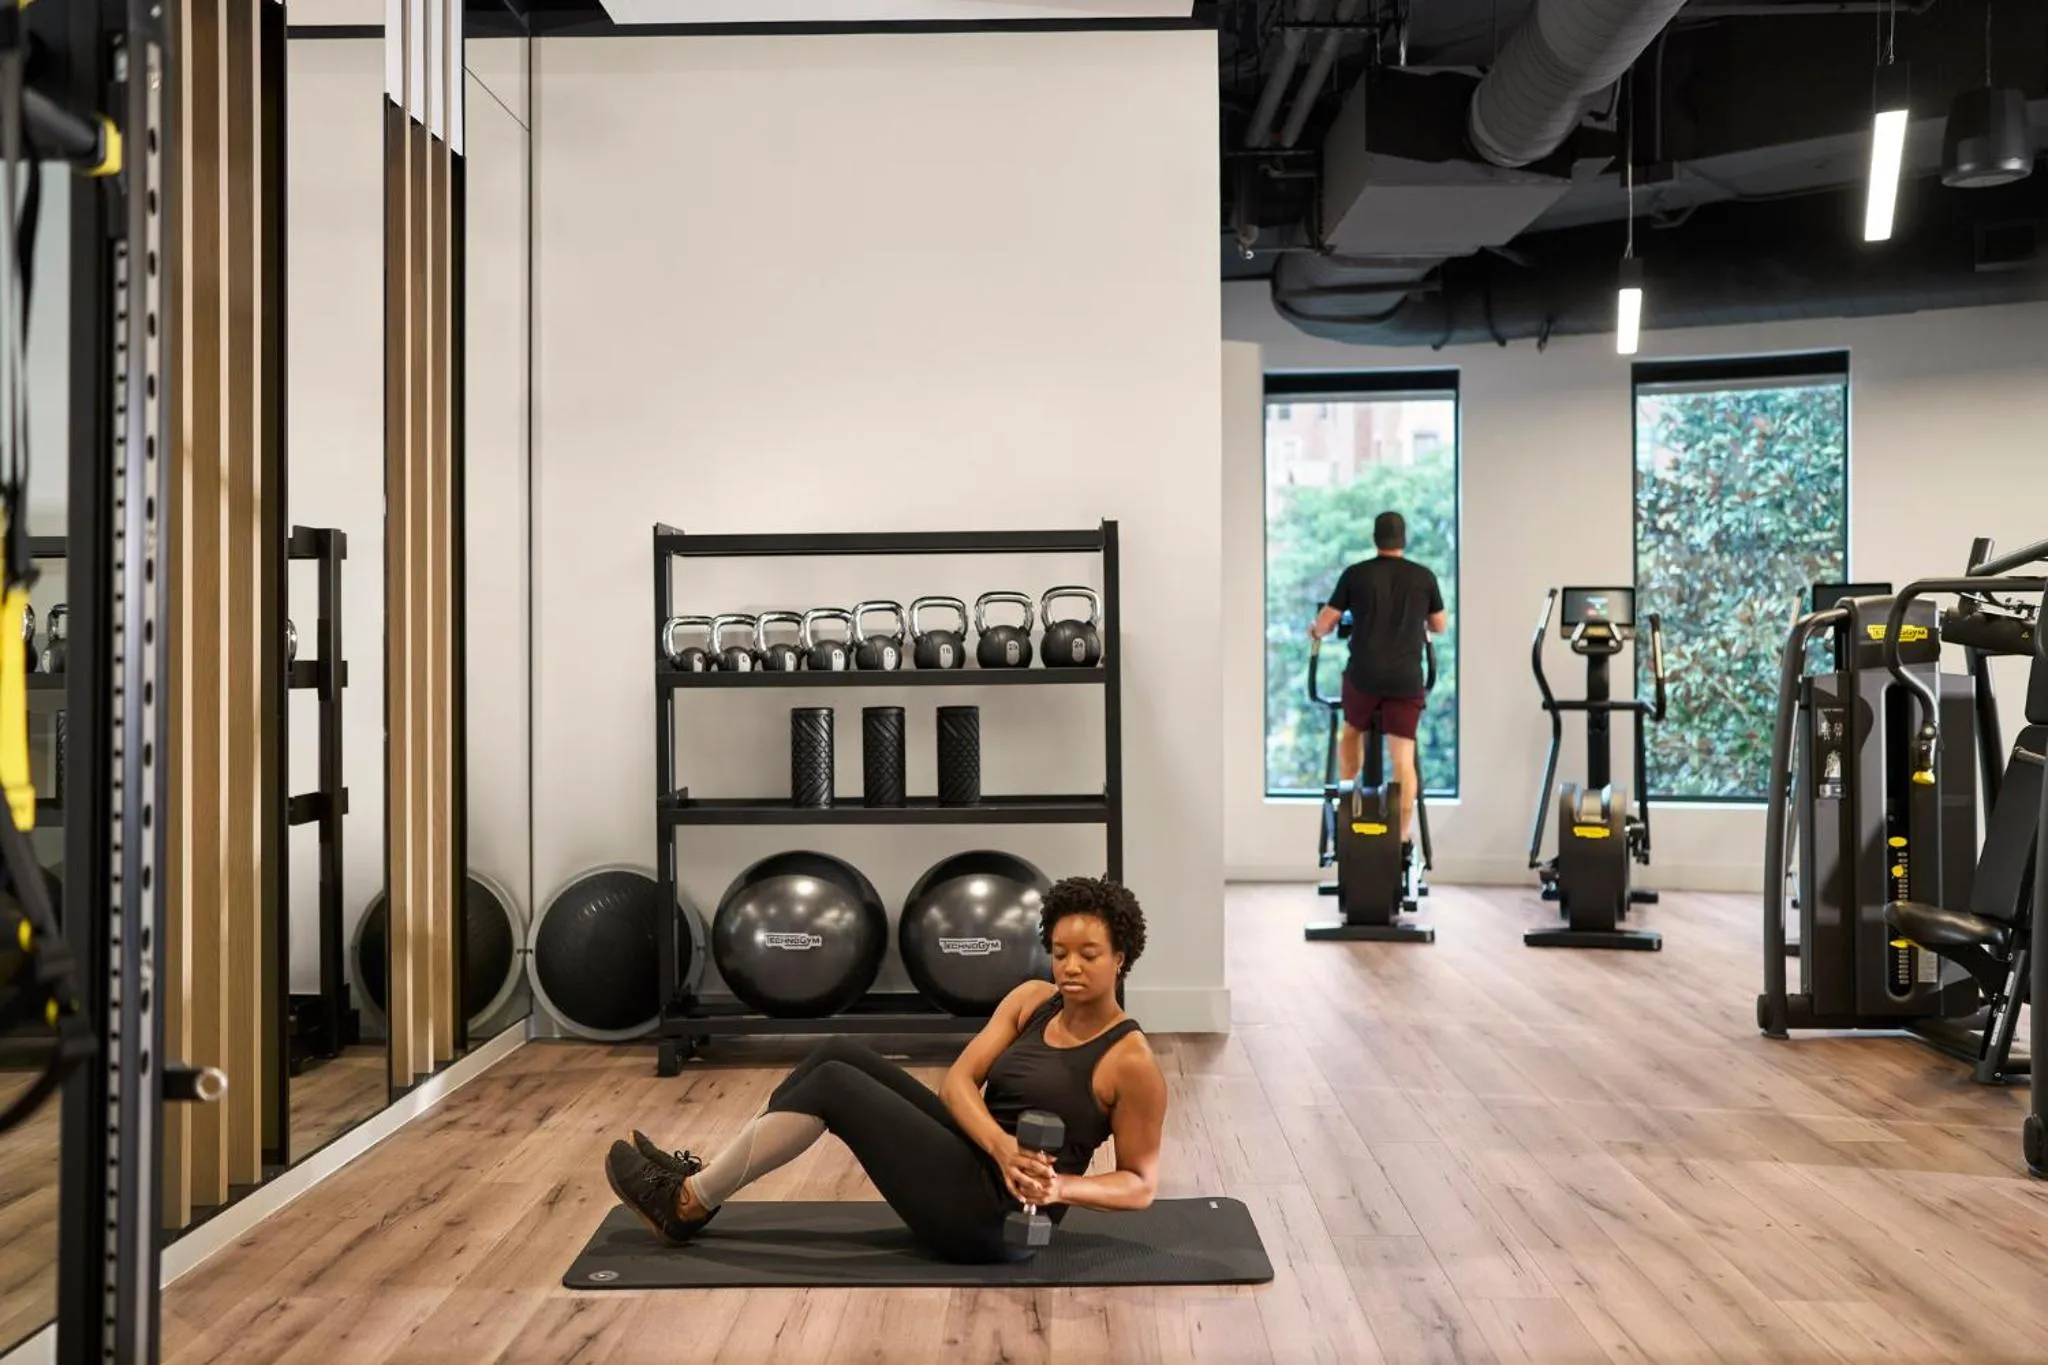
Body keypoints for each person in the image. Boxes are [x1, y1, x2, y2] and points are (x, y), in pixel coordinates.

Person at [603, 876, 1166, 1264]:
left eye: (1089, 954)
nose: (1070, 966)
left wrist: (1058, 1185)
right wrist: (998, 1144)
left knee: (833, 1086)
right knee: (836, 1053)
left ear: (1121, 956)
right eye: (1060, 951)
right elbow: (957, 1083)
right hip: (977, 1159)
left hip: (997, 1219)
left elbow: (1140, 1185)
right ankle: (701, 1187)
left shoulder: (1130, 1060)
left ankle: (685, 1203)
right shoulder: (1030, 1000)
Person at [1307, 510, 1447, 849]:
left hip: (1364, 677)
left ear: (1375, 539)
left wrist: (1315, 630)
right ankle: (1400, 839)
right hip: (1405, 680)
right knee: (1403, 759)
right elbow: (1439, 625)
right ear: (1403, 540)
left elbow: (1325, 623)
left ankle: (1347, 797)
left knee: (1351, 731)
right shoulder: (1423, 577)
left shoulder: (1355, 575)